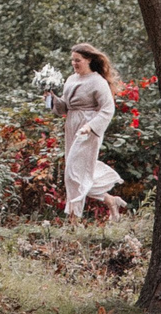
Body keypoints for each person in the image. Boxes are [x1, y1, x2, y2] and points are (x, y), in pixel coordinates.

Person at [45, 42, 129, 220]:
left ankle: (73, 218)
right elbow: (64, 107)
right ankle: (110, 200)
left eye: (78, 60)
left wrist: (91, 126)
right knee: (78, 171)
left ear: (89, 60)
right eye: (72, 60)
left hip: (88, 129)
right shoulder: (71, 79)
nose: (74, 63)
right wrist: (52, 98)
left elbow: (107, 109)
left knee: (73, 172)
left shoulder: (98, 82)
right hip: (72, 125)